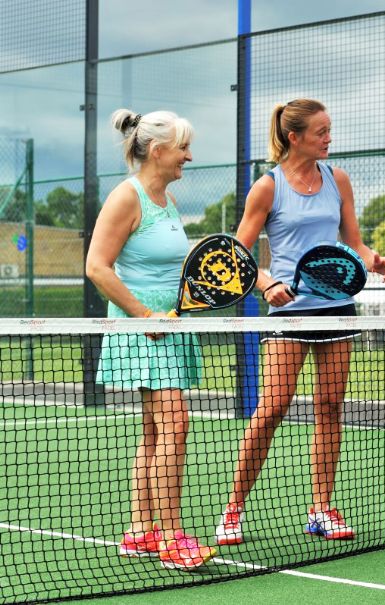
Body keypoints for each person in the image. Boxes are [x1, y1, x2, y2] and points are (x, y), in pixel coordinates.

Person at [215, 99, 385, 545]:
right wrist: (265, 283)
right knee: (272, 410)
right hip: (289, 310)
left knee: (329, 410)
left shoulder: (338, 179)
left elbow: (352, 242)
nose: (329, 138)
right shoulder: (267, 187)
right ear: (295, 136)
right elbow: (237, 254)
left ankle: (321, 507)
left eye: (329, 130)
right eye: (321, 132)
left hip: (337, 307)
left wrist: (373, 261)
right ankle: (233, 511)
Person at [85, 109, 216, 570]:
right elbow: (97, 266)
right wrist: (143, 315)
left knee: (157, 429)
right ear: (158, 151)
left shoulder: (167, 199)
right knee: (175, 424)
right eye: (183, 148)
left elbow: (169, 265)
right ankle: (173, 537)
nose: (189, 156)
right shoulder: (127, 196)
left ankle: (141, 529)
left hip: (170, 324)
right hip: (142, 326)